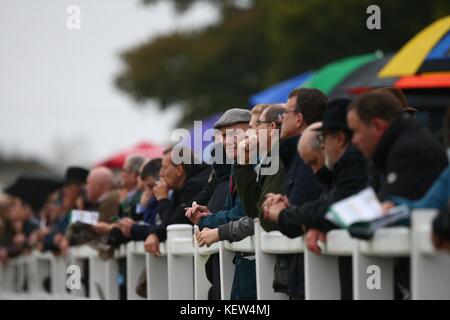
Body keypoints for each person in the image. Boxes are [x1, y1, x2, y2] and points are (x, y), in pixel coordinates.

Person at [347, 89, 448, 299]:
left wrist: (390, 207)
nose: (353, 141)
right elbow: (424, 208)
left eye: (355, 132)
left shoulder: (408, 149)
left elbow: (427, 211)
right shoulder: (389, 151)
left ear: (378, 125)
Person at [264, 99, 369, 300]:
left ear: (338, 138)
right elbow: (331, 207)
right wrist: (313, 221)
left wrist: (285, 213)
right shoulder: (342, 166)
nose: (315, 170)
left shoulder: (354, 163)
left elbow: (337, 207)